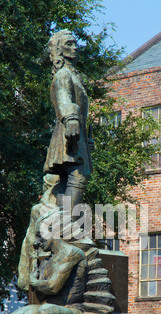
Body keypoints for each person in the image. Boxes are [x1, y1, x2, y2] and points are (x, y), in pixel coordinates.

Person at [45, 29, 93, 210]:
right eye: (68, 44)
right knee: (78, 176)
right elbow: (63, 97)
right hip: (68, 131)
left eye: (75, 43)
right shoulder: (63, 74)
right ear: (59, 50)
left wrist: (86, 142)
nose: (74, 48)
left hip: (75, 133)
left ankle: (62, 224)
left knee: (67, 179)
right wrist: (71, 118)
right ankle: (66, 224)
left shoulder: (73, 75)